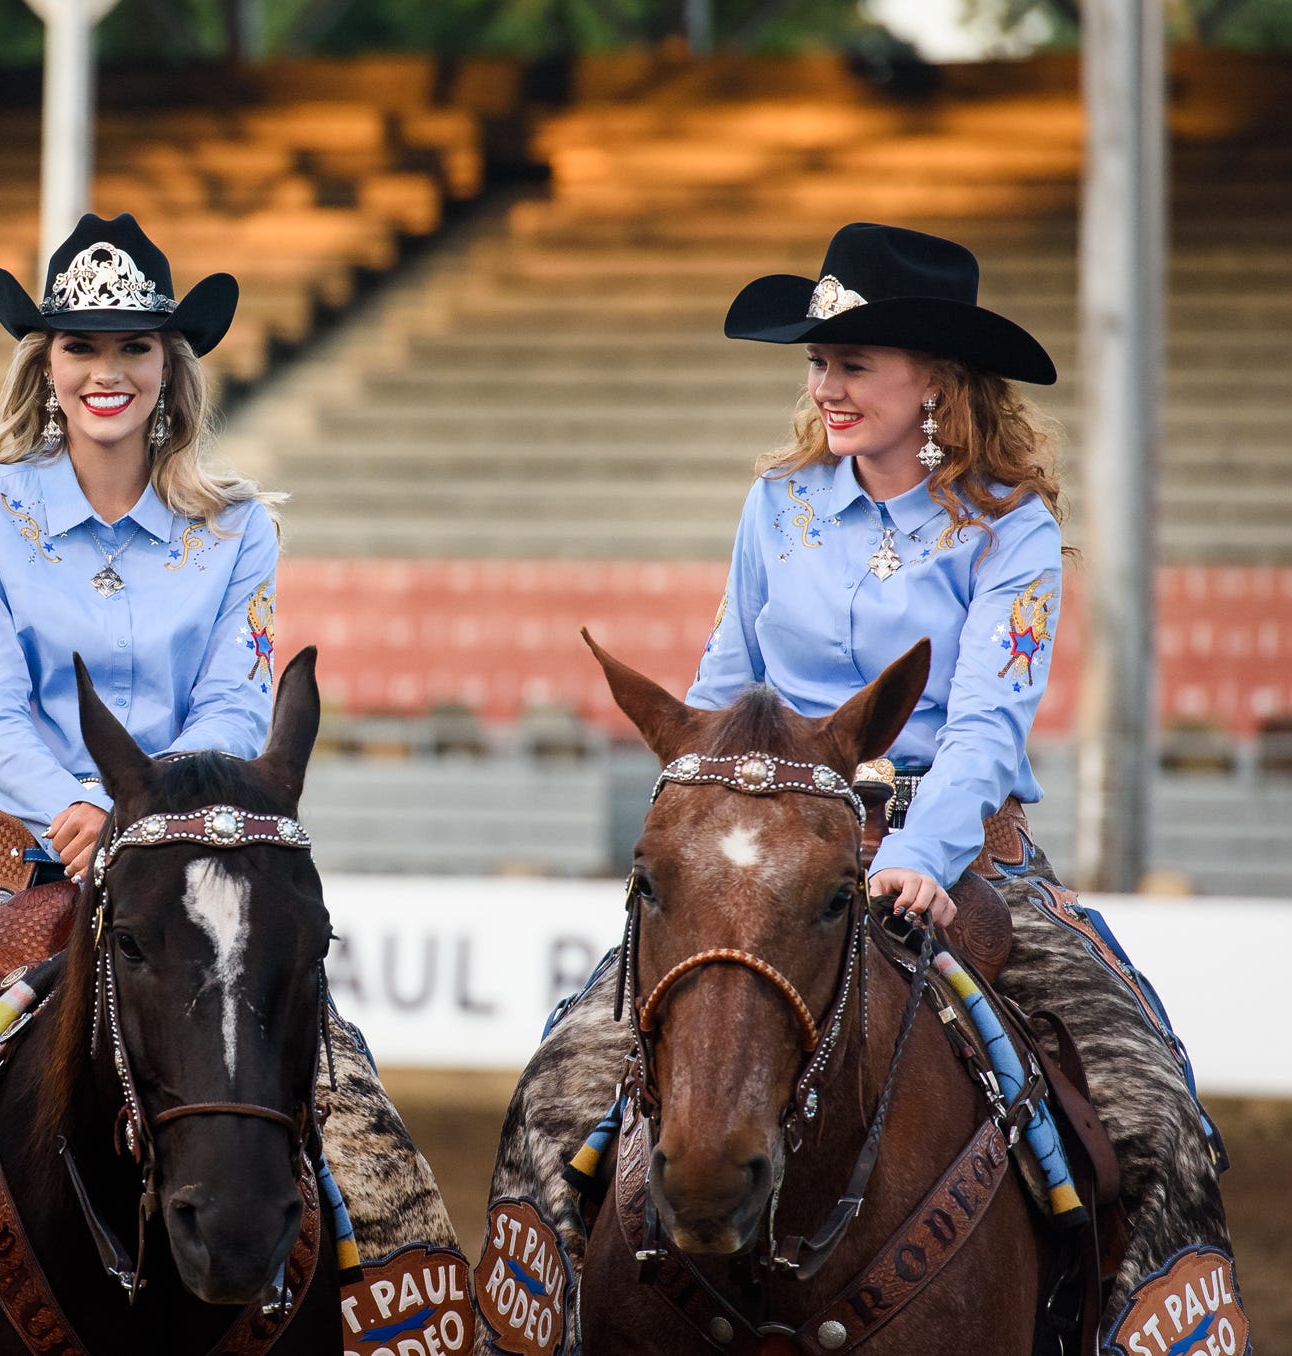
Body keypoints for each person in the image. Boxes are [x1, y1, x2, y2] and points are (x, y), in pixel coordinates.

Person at [483, 223, 1238, 1345]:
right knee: (555, 1089)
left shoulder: (1010, 530)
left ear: (934, 377)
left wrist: (926, 861)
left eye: (852, 364)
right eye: (818, 364)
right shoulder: (775, 509)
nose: (825, 387)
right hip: (768, 854)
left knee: (1153, 1111)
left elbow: (986, 726)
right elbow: (720, 691)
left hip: (962, 859)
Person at [0, 216, 462, 1354]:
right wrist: (74, 807)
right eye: (81, 348)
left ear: (169, 368)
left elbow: (240, 704)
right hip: (7, 873)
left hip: (193, 872)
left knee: (379, 1159)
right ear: (44, 364)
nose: (108, 373)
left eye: (134, 349)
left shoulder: (236, 525)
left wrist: (147, 816)